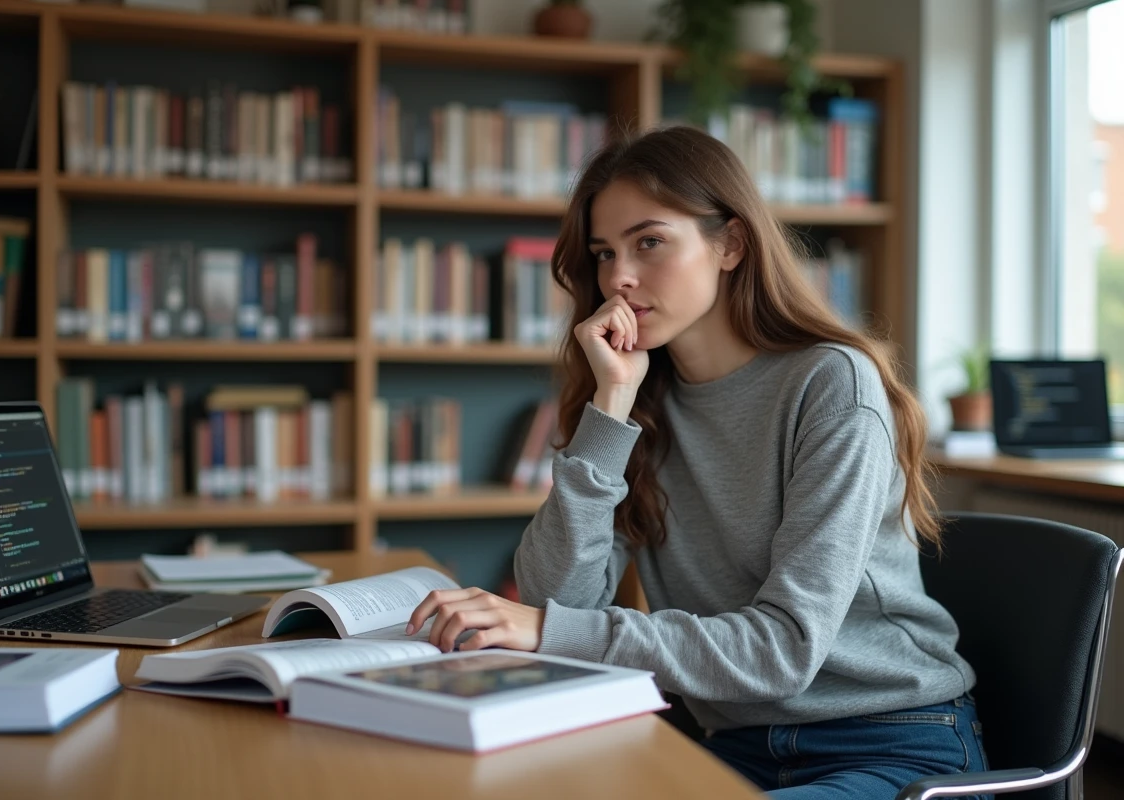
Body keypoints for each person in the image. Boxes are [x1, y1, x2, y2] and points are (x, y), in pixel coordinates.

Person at [406, 125, 987, 798]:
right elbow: (556, 603)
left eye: (649, 242)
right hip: (732, 744)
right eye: (603, 253)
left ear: (731, 245)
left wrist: (546, 627)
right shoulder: (638, 400)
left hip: (891, 739)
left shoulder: (830, 385)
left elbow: (783, 651)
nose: (618, 277)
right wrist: (609, 409)